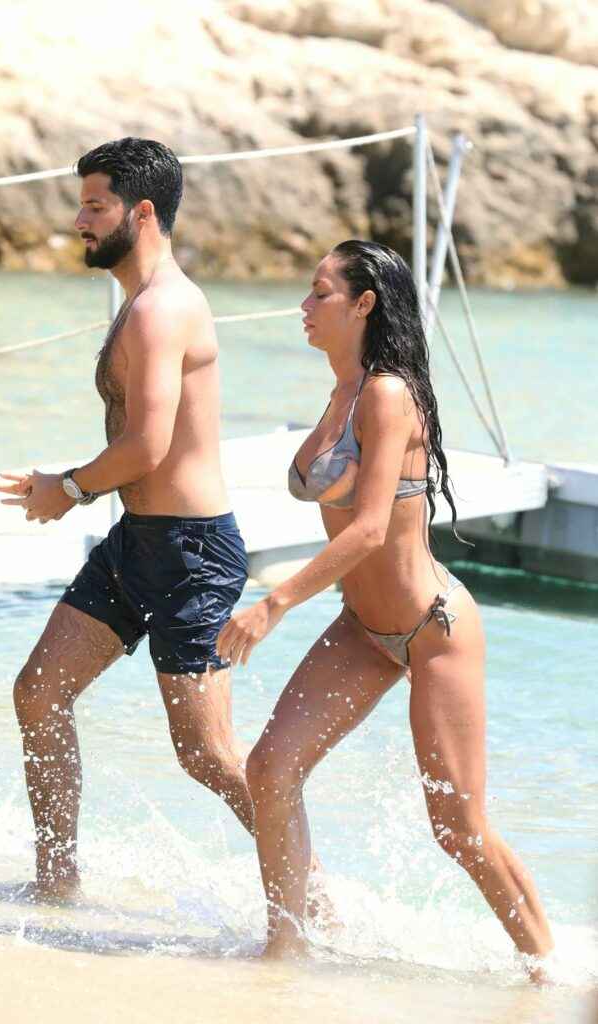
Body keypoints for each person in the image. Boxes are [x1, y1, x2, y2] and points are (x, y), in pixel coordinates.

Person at [217, 240, 554, 974]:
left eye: (320, 293)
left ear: (363, 303)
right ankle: (286, 946)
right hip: (362, 630)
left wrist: (273, 604)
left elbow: (371, 528)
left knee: (457, 826)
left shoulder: (387, 394)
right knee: (270, 769)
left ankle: (548, 971)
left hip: (433, 629)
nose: (304, 306)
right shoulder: (342, 390)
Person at [0, 137, 255, 901]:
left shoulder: (163, 309)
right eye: (81, 205)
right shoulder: (139, 302)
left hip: (191, 553)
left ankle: (312, 897)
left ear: (140, 213)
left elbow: (147, 446)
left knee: (206, 755)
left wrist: (67, 488)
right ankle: (56, 884)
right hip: (138, 541)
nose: (79, 220)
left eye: (94, 206)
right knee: (39, 692)